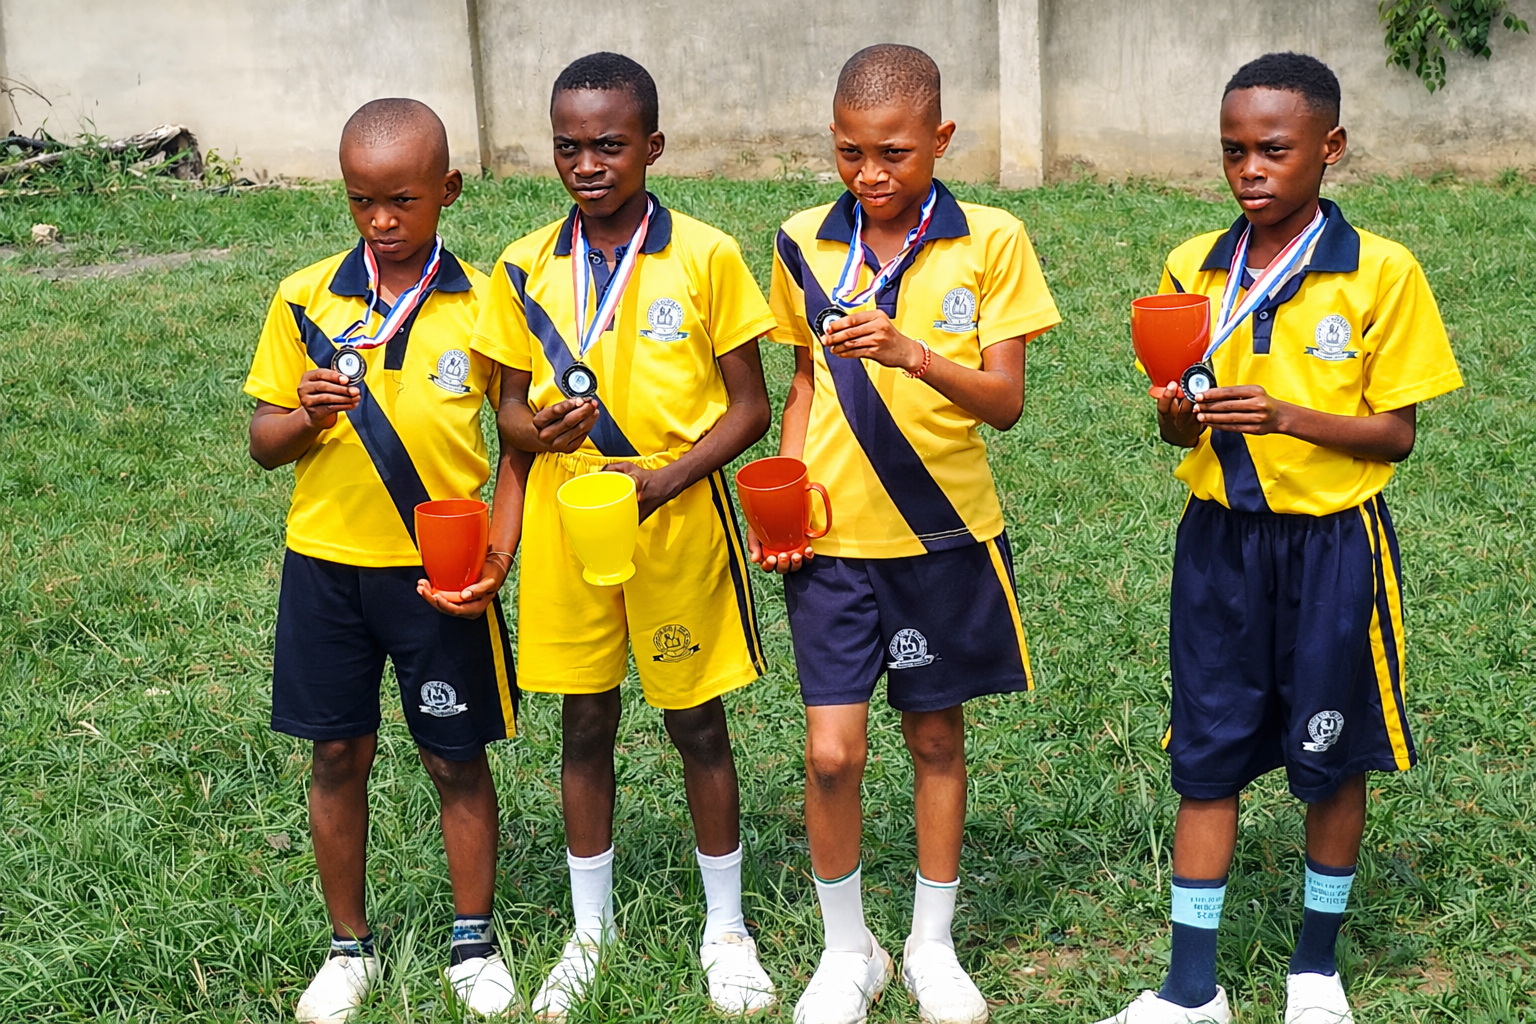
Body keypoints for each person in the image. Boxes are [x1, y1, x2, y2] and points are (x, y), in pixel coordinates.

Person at [1091, 53, 1463, 1024]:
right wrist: (1178, 410)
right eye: (1232, 151)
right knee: (1206, 756)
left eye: (1274, 149)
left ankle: (1314, 968)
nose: (1250, 168)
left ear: (1329, 150)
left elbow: (1398, 432)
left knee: (1330, 756)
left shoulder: (1381, 270)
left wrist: (1291, 417)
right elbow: (1178, 424)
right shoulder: (1193, 268)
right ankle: (1188, 988)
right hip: (1220, 544)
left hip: (1336, 545)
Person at [468, 52, 778, 1020]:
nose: (588, 163)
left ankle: (725, 927)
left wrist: (671, 477)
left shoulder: (707, 255)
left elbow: (751, 407)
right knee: (586, 720)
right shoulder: (523, 265)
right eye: (569, 145)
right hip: (569, 524)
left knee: (696, 719)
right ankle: (587, 930)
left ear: (652, 145)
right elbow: (508, 414)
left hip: (678, 519)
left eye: (609, 144)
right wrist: (537, 432)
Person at [762, 44, 1060, 1024]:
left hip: (943, 540)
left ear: (940, 139)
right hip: (836, 547)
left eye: (892, 152)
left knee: (936, 738)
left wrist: (910, 352)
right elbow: (804, 384)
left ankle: (932, 945)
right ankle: (848, 951)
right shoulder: (804, 240)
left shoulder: (992, 240)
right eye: (849, 152)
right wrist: (789, 485)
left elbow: (1005, 401)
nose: (870, 174)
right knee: (832, 753)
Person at [244, 98, 523, 1022]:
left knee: (455, 756)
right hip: (324, 565)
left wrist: (498, 548)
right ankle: (348, 947)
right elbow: (263, 441)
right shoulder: (304, 295)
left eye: (401, 200)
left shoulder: (486, 303)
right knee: (336, 752)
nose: (381, 221)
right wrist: (307, 414)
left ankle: (472, 940)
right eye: (361, 201)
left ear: (447, 189)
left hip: (438, 571)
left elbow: (515, 444)